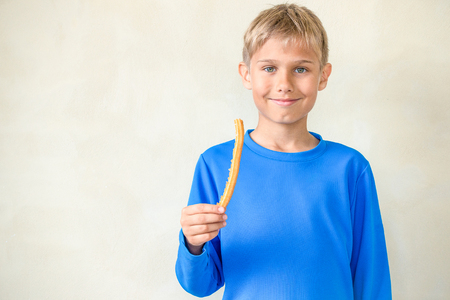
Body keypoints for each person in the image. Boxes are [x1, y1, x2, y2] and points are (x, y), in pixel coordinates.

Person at [175, 3, 391, 299]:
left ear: (323, 76)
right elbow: (200, 285)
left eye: (300, 69)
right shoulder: (215, 164)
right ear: (247, 74)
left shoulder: (350, 169)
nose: (284, 84)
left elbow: (371, 276)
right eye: (269, 68)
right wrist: (193, 244)